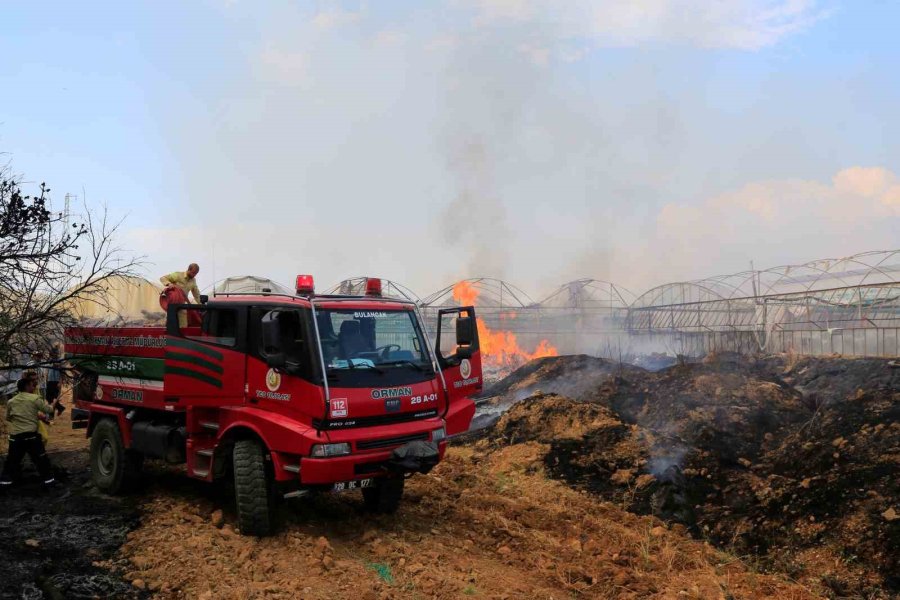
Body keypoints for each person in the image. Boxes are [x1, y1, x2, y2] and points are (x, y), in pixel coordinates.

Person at [0, 377, 60, 487]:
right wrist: (54, 403)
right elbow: (49, 410)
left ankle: (5, 483)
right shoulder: (35, 398)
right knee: (42, 459)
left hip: (16, 437)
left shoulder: (11, 401)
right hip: (31, 436)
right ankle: (49, 482)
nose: (34, 387)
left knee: (12, 460)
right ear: (27, 386)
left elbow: (8, 418)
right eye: (32, 385)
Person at [160, 263, 201, 327]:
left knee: (183, 325)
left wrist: (200, 305)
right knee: (171, 324)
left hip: (182, 305)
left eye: (196, 274)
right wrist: (169, 284)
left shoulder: (193, 280)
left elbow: (196, 294)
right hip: (172, 304)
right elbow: (163, 278)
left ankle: (181, 335)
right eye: (193, 273)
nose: (194, 275)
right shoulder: (178, 275)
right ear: (189, 270)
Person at [43, 348, 64, 415]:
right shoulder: (49, 361)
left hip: (56, 381)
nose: (52, 355)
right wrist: (46, 380)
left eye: (54, 354)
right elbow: (47, 371)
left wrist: (60, 382)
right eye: (51, 354)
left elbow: (62, 372)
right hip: (49, 381)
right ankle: (60, 408)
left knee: (54, 398)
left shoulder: (59, 361)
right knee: (48, 398)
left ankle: (51, 415)